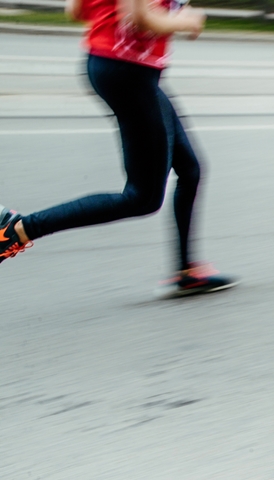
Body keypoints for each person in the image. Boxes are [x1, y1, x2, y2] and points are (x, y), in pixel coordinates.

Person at [0, 0, 236, 298]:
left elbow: (75, 10)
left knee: (189, 169)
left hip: (117, 66)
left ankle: (187, 272)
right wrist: (187, 20)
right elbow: (139, 19)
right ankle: (15, 230)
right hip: (128, 71)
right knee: (142, 198)